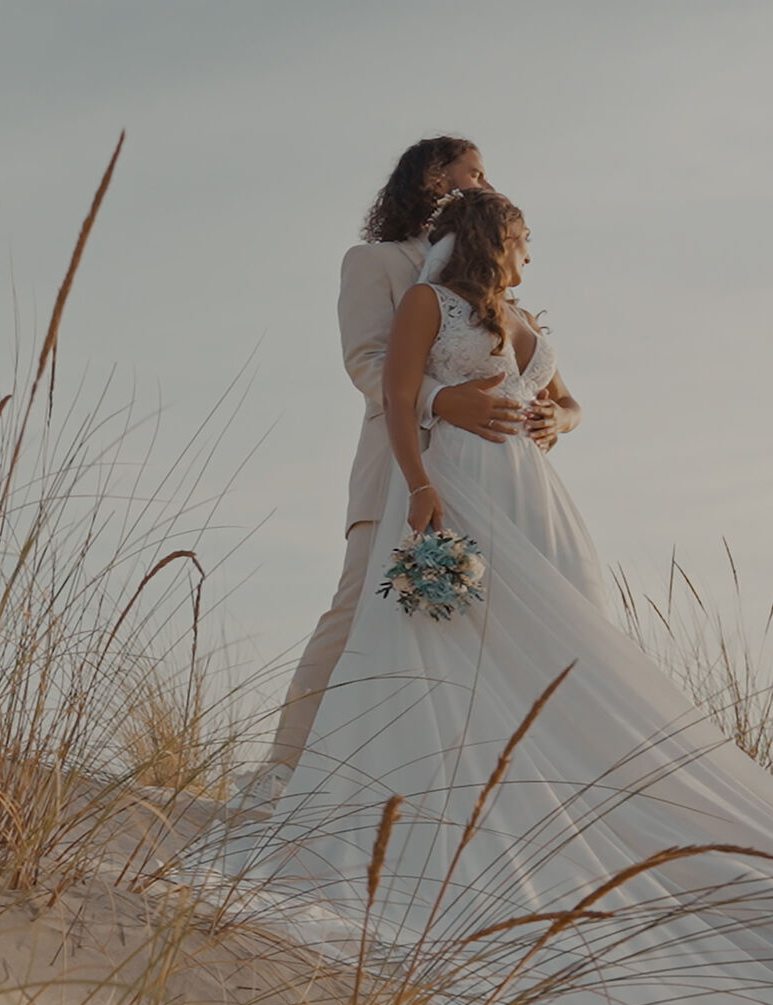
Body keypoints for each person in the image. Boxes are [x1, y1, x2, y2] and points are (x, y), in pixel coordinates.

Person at [202, 188, 773, 1005]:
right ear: (494, 239)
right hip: (456, 488)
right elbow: (393, 392)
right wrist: (421, 487)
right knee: (443, 654)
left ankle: (554, 805)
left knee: (553, 669)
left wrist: (553, 415)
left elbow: (568, 404)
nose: (530, 259)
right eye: (524, 242)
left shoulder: (523, 320)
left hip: (533, 501)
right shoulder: (428, 302)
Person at [246, 137, 577, 806]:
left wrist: (553, 418)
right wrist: (438, 400)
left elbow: (542, 381)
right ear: (435, 175)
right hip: (402, 462)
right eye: (474, 171)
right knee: (356, 609)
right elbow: (367, 361)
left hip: (499, 478)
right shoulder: (376, 263)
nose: (486, 182)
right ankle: (286, 769)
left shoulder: (497, 277)